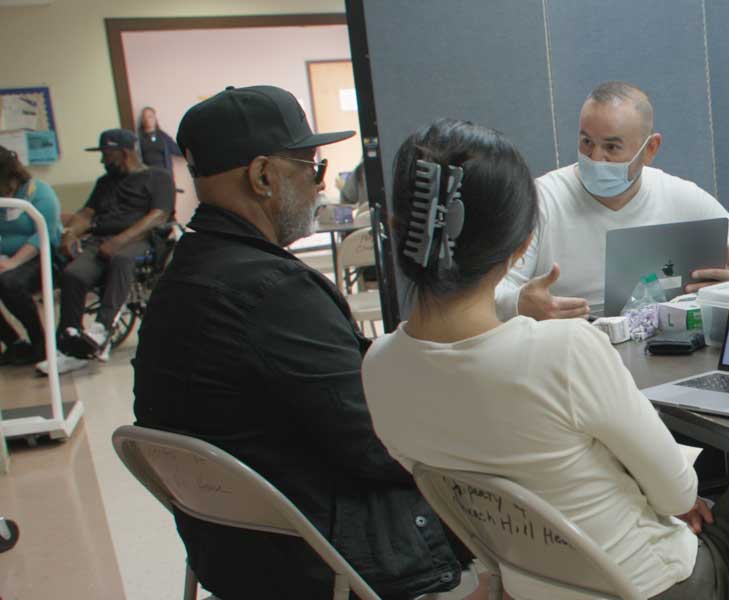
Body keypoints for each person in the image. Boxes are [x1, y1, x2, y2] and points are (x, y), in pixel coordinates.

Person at [363, 117, 729, 600]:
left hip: (534, 584)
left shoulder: (379, 366)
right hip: (664, 586)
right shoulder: (563, 350)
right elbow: (677, 495)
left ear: (395, 228)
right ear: (522, 242)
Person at [132, 85, 477, 600]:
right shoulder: (272, 290)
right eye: (312, 168)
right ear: (263, 176)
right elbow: (379, 447)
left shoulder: (184, 275)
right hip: (324, 554)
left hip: (231, 552)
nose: (320, 186)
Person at [495, 81, 729, 322]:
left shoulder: (679, 195)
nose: (595, 157)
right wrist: (518, 303)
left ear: (650, 149)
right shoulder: (540, 200)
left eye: (612, 147)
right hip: (572, 343)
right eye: (586, 142)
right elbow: (486, 293)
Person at [36, 128, 174, 375]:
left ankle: (101, 329)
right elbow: (87, 214)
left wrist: (120, 240)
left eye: (106, 154)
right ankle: (70, 344)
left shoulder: (157, 177)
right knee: (73, 274)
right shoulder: (105, 183)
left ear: (124, 153)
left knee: (122, 259)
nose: (102, 160)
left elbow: (159, 215)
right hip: (101, 240)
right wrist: (70, 234)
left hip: (141, 239)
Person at [0, 146, 61, 365]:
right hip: (6, 259)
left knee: (9, 283)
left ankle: (39, 340)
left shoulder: (39, 192)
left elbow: (43, 234)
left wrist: (14, 262)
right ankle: (13, 342)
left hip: (42, 255)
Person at [137, 106, 182, 179]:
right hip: (147, 177)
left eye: (150, 116)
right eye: (145, 117)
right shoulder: (138, 139)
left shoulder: (163, 136)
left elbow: (177, 150)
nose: (148, 119)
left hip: (164, 176)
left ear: (155, 118)